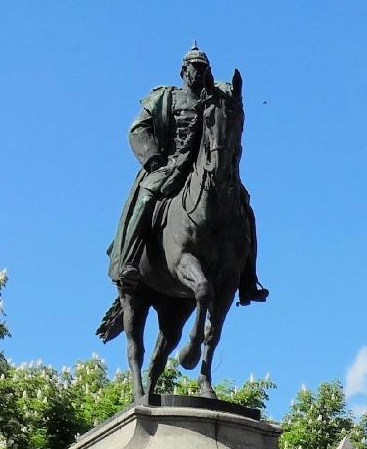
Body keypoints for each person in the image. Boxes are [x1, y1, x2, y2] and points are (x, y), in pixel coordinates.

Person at [107, 45, 266, 304]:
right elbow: (138, 130)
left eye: (204, 69)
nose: (200, 73)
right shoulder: (166, 97)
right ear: (184, 70)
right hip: (167, 165)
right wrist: (154, 158)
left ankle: (248, 279)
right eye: (196, 68)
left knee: (244, 207)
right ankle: (128, 262)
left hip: (206, 167)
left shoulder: (212, 97)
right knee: (147, 198)